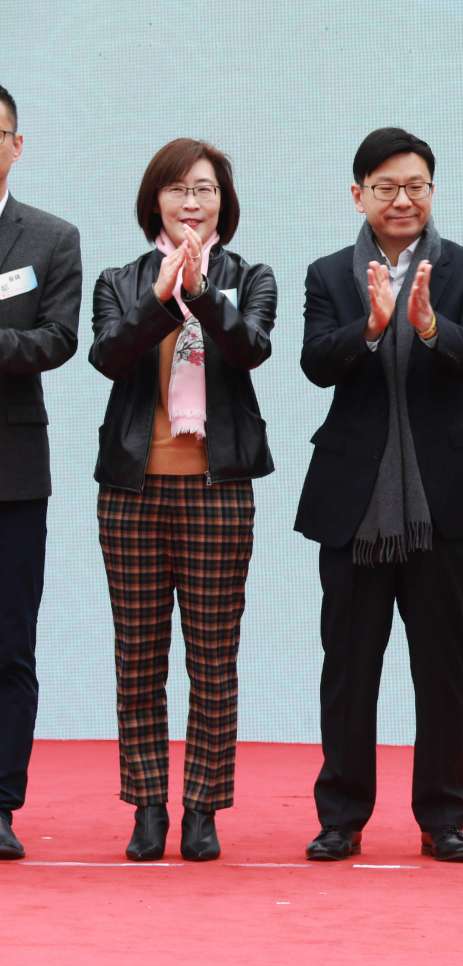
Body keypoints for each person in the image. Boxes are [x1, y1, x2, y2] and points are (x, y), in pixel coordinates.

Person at [296, 127, 463, 864]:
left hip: (443, 501)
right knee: (348, 663)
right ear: (359, 195)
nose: (402, 199)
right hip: (353, 500)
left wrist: (430, 327)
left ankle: (442, 816)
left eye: (415, 185)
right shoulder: (327, 274)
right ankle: (341, 816)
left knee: (442, 664)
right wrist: (372, 327)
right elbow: (316, 364)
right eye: (385, 187)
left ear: (432, 191)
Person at [88, 139, 275, 862]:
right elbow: (109, 354)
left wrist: (199, 293)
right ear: (154, 202)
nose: (191, 203)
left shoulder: (249, 276)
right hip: (132, 490)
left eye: (203, 189)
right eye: (176, 190)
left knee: (213, 657)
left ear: (223, 199)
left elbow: (251, 347)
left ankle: (202, 808)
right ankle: (147, 807)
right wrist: (162, 299)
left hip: (218, 489)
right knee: (137, 654)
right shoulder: (119, 279)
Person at [0, 84, 82, 862]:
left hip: (12, 474)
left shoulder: (49, 238)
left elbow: (58, 339)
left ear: (16, 144)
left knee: (7, 646)